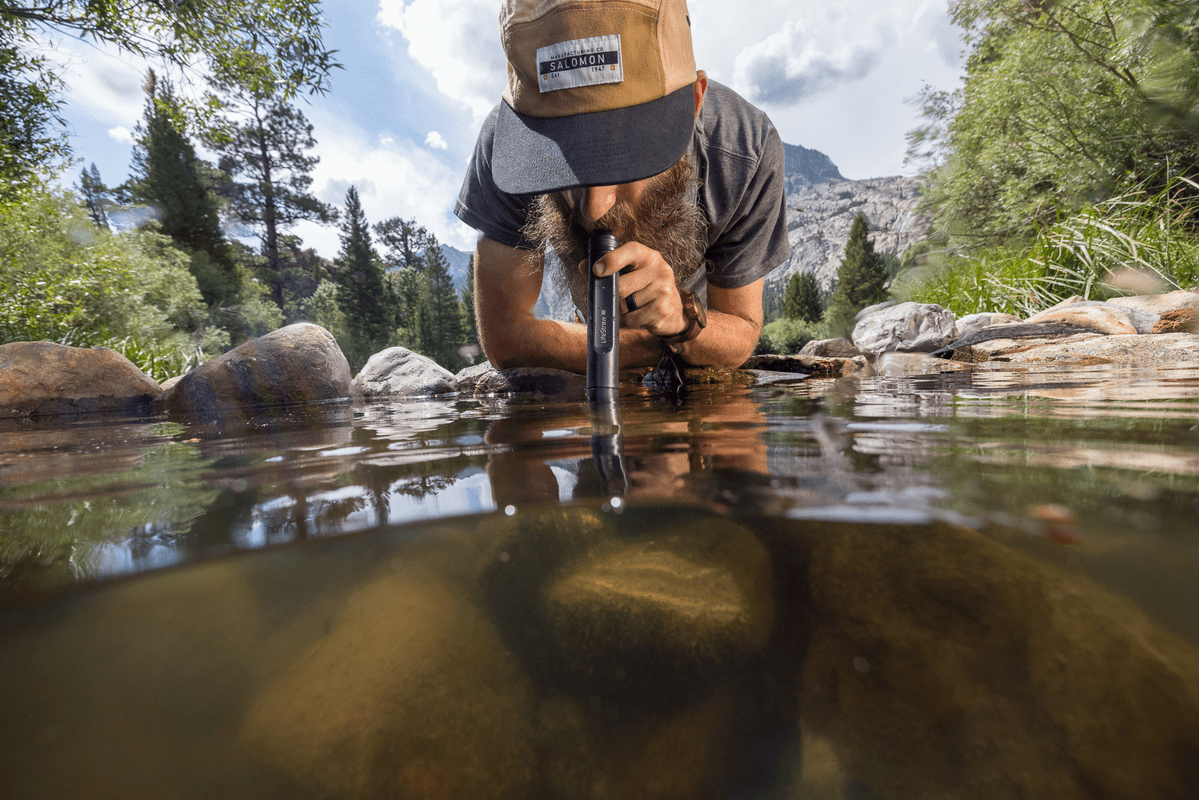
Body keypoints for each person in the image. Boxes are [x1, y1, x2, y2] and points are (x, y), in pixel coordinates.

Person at [455, 0, 791, 372]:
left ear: (694, 102)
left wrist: (681, 320)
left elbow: (740, 329)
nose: (593, 209)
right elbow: (505, 337)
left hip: (696, 328)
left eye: (624, 160)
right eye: (563, 164)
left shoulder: (743, 150)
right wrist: (644, 349)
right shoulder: (513, 149)